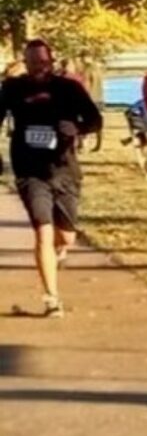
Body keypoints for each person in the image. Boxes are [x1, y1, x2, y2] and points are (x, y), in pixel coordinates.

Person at [0, 39, 103, 317]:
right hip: (30, 171)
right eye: (32, 63)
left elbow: (95, 119)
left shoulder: (67, 88)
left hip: (64, 170)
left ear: (51, 61)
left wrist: (77, 127)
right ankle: (52, 298)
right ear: (25, 62)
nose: (38, 68)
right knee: (43, 232)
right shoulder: (13, 88)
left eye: (43, 62)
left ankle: (59, 254)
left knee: (66, 238)